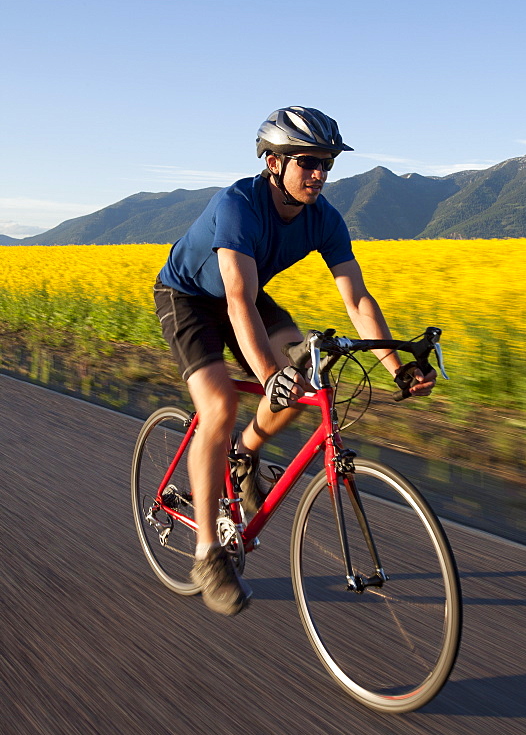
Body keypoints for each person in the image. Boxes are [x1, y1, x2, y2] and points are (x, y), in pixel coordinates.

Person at [154, 106, 435, 615]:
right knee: (218, 405)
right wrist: (268, 376)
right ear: (274, 163)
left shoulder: (324, 218)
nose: (320, 174)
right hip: (190, 298)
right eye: (308, 162)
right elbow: (235, 301)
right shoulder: (239, 205)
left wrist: (400, 366)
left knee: (306, 378)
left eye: (327, 163)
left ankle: (241, 455)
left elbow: (358, 300)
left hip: (246, 296)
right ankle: (207, 554)